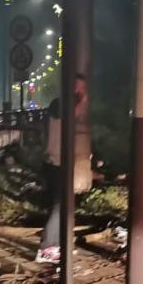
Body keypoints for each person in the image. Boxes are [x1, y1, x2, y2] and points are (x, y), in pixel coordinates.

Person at [36, 74, 88, 264]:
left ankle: (58, 244)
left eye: (82, 89)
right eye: (78, 88)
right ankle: (47, 247)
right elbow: (71, 116)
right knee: (60, 206)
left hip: (62, 162)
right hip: (56, 163)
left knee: (63, 206)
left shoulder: (65, 105)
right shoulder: (59, 104)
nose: (80, 92)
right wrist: (83, 101)